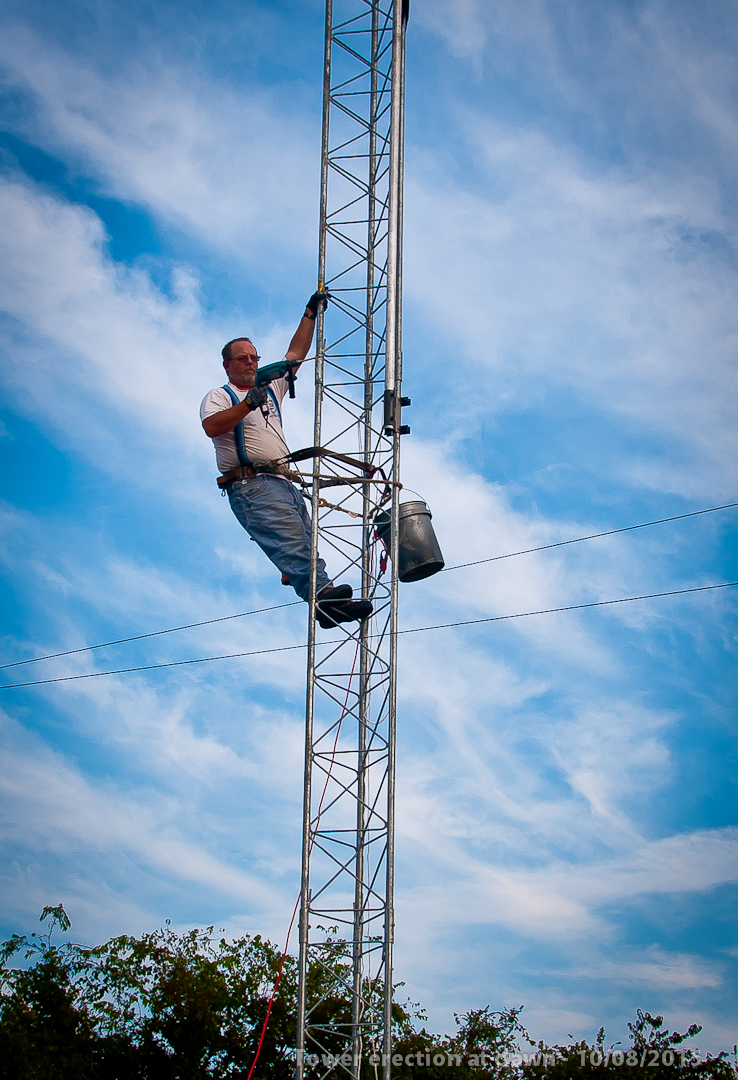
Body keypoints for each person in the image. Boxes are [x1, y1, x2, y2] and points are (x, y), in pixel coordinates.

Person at [200, 290, 372, 629]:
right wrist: (248, 404)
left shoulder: (269, 390)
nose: (250, 362)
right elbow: (212, 426)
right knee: (295, 546)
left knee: (305, 542)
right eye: (242, 358)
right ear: (228, 365)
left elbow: (294, 355)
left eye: (253, 357)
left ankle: (328, 605)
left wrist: (310, 313)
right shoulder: (221, 395)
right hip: (253, 485)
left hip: (281, 482)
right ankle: (323, 597)